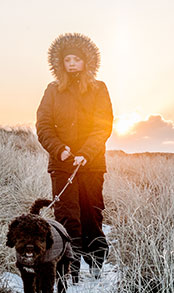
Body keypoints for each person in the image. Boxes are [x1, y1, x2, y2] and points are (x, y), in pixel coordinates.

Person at [36, 33, 113, 280]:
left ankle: (96, 261)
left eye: (76, 59)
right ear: (59, 63)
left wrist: (85, 154)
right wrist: (61, 150)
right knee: (67, 214)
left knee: (92, 213)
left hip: (91, 164)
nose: (71, 64)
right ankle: (71, 266)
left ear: (87, 62)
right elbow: (43, 125)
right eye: (67, 59)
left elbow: (104, 125)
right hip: (62, 165)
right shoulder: (53, 90)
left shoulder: (99, 88)